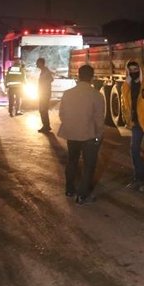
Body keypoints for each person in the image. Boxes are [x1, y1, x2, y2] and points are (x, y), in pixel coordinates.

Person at [58, 64, 105, 204]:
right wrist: (99, 134)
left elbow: (62, 114)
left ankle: (69, 189)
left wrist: (71, 125)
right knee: (88, 165)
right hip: (89, 135)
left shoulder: (67, 93)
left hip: (72, 134)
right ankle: (82, 195)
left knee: (72, 161)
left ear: (78, 75)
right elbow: (99, 118)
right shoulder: (96, 95)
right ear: (92, 77)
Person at [120, 60, 144, 191]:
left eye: (136, 69)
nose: (133, 72)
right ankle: (139, 177)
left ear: (140, 69)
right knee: (134, 150)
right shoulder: (128, 85)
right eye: (130, 70)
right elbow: (125, 101)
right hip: (136, 123)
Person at [36, 57, 54, 133]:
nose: (36, 64)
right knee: (42, 110)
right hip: (43, 93)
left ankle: (46, 126)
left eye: (37, 63)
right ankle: (46, 126)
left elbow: (50, 79)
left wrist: (44, 88)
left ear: (41, 63)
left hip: (44, 94)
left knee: (43, 110)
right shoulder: (44, 71)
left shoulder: (46, 71)